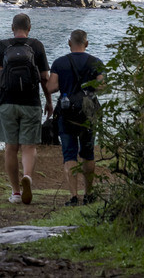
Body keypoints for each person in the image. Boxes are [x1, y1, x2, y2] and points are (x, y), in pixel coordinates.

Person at [0, 12, 51, 205]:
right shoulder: (36, 45)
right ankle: (28, 176)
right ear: (29, 29)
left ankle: (15, 192)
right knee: (29, 146)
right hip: (31, 103)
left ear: (12, 28)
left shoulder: (4, 45)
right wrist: (49, 101)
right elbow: (45, 77)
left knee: (10, 148)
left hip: (7, 102)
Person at [48, 28, 106, 206]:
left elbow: (51, 88)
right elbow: (103, 87)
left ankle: (73, 197)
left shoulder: (59, 63)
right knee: (88, 154)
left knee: (69, 154)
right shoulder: (96, 62)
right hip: (88, 113)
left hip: (66, 113)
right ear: (86, 43)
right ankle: (89, 194)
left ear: (69, 43)